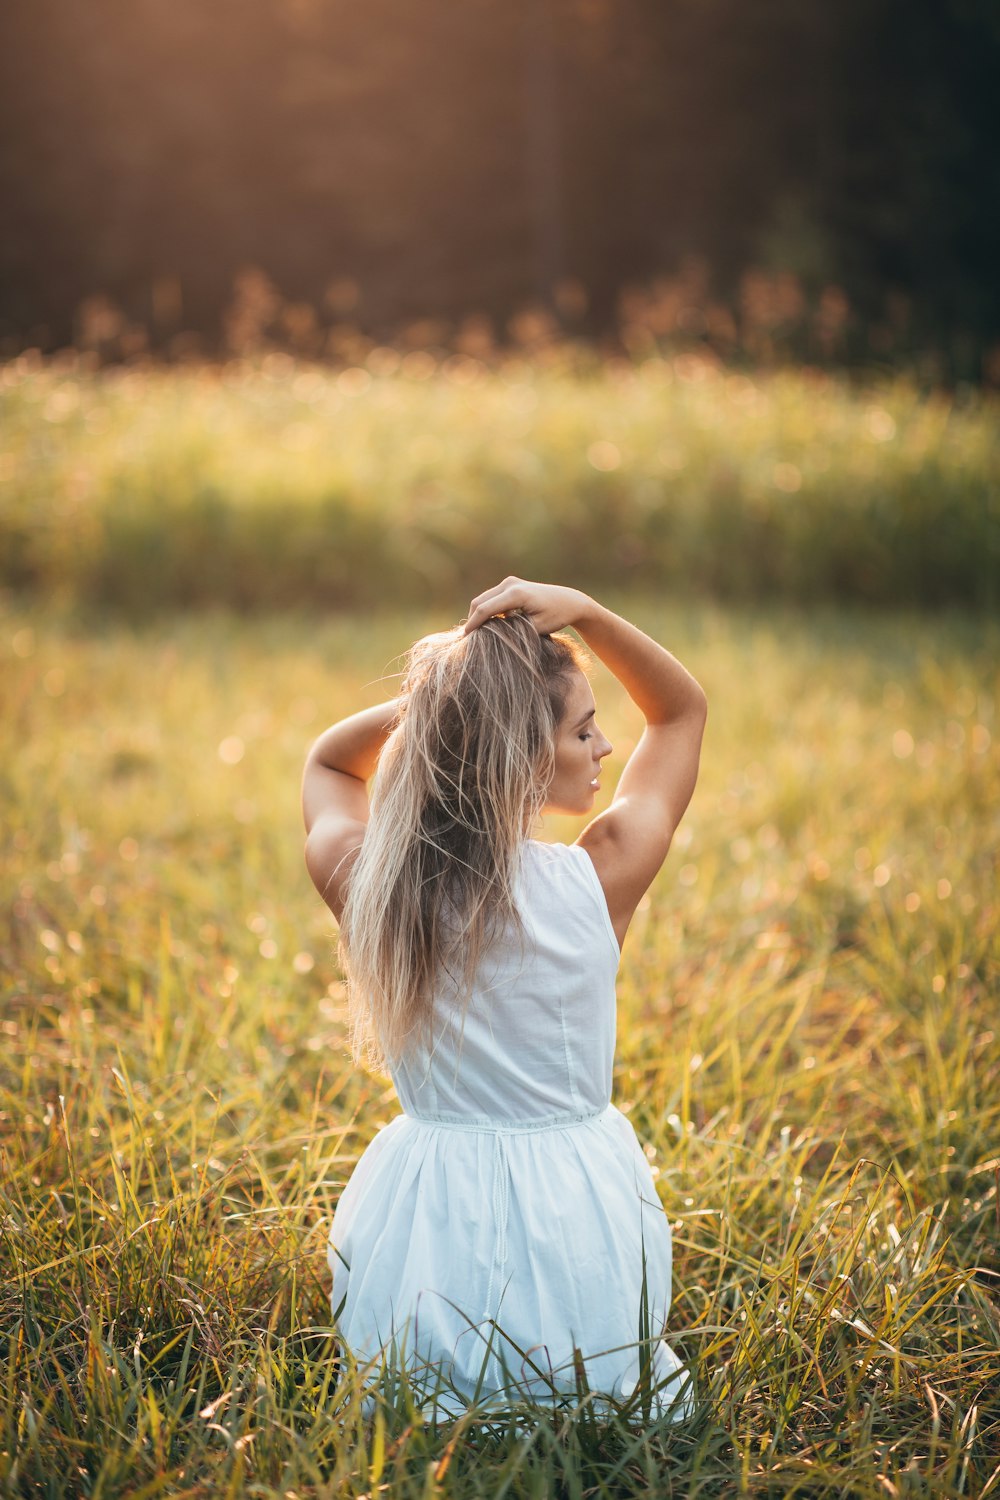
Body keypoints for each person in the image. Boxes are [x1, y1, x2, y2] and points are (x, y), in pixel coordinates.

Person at [301, 577, 708, 1419]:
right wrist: (589, 613)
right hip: (577, 1219)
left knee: (422, 1393)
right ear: (522, 754)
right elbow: (680, 712)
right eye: (584, 729)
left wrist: (448, 707)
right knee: (590, 1384)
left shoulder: (371, 886)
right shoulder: (601, 876)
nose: (603, 747)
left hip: (429, 1227)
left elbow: (329, 763)